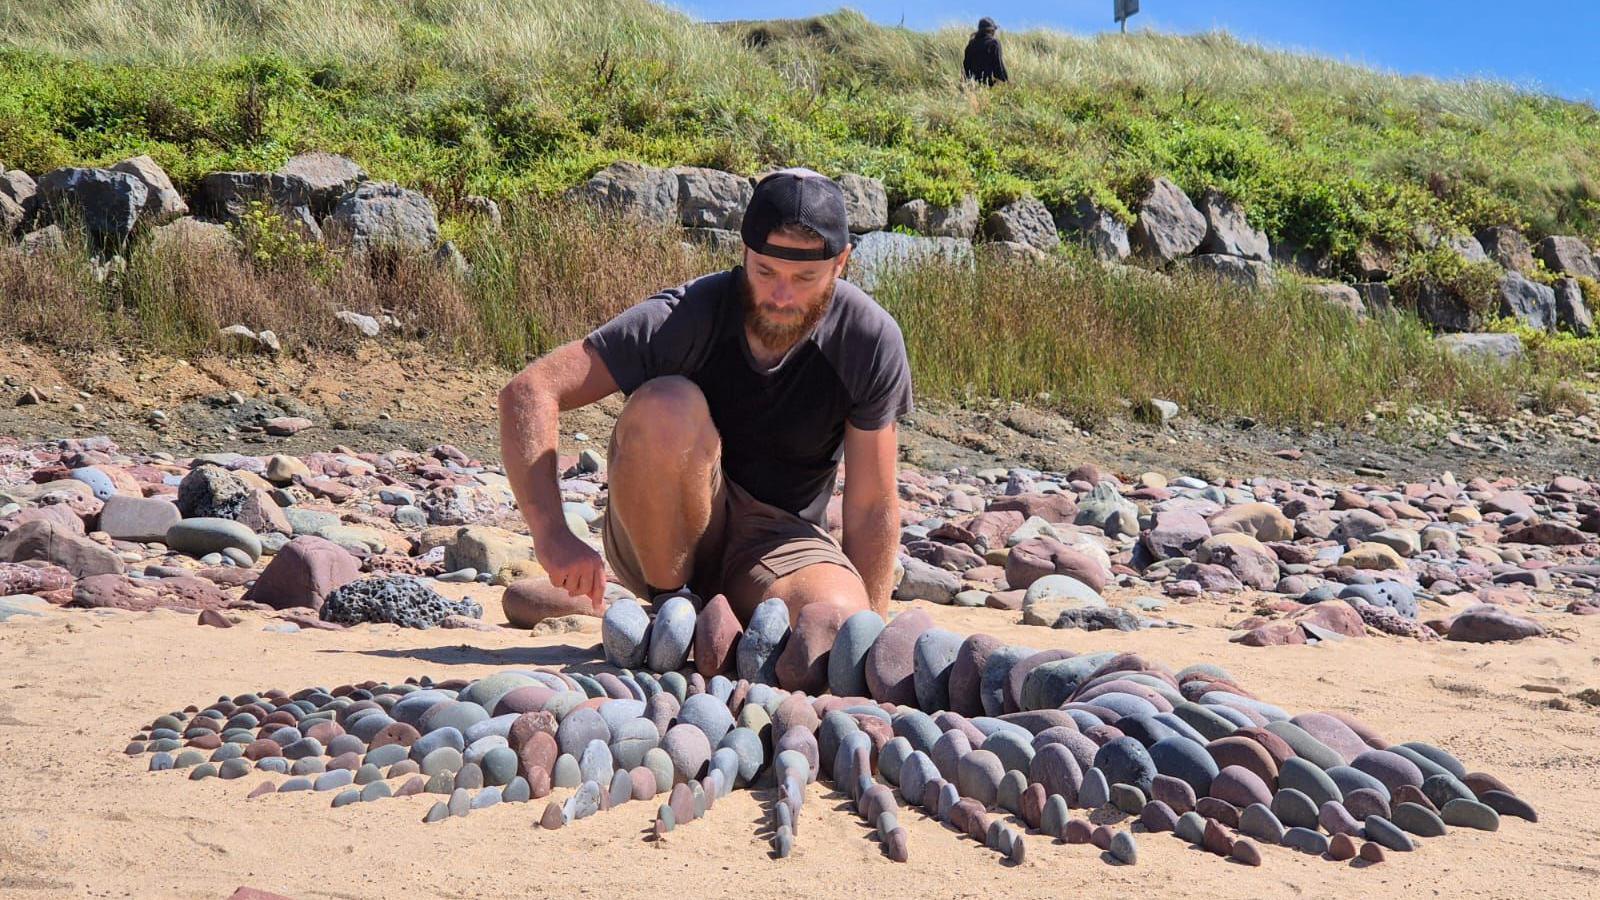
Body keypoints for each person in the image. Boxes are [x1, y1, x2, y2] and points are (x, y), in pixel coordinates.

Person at [499, 168, 913, 625]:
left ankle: (708, 621)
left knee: (833, 621)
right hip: (662, 531)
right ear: (745, 252)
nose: (780, 295)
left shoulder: (868, 340)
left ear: (841, 263)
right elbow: (531, 390)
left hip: (780, 541)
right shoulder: (686, 316)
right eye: (766, 270)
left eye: (804, 278)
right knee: (666, 404)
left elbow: (872, 502)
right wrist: (552, 533)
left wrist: (868, 640)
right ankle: (672, 609)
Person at [963, 17, 1009, 86]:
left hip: (972, 86)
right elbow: (998, 68)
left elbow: (965, 69)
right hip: (988, 87)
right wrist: (1006, 83)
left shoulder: (970, 45)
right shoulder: (994, 43)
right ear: (991, 31)